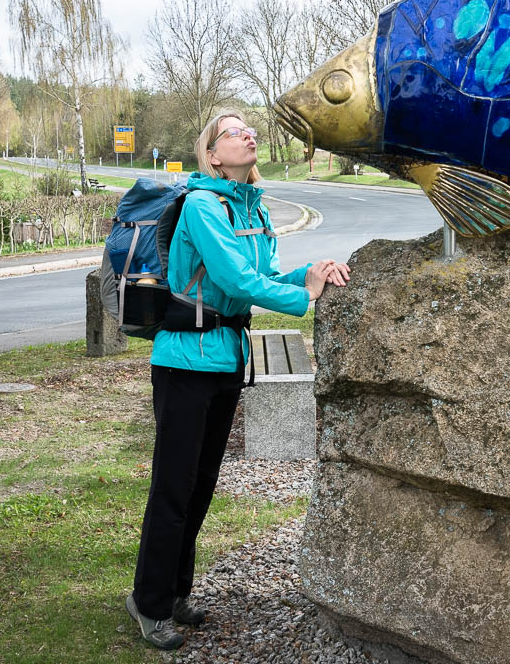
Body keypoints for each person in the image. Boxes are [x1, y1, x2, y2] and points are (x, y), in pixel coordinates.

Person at [126, 109, 349, 649]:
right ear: (212, 155)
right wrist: (303, 298)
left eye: (249, 129)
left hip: (225, 360)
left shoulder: (253, 208)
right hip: (183, 362)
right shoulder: (203, 205)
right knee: (173, 488)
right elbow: (232, 278)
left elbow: (265, 277)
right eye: (233, 132)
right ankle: (149, 603)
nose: (248, 134)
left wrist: (311, 274)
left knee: (200, 486)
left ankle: (175, 593)